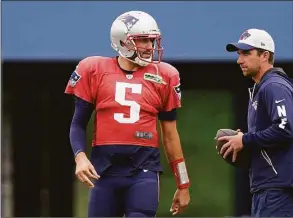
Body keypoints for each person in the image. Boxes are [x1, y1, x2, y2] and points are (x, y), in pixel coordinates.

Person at [64, 10, 190, 217]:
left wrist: (183, 183)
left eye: (151, 40)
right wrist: (79, 157)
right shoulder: (94, 69)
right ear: (122, 41)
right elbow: (78, 123)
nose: (149, 46)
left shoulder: (165, 74)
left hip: (144, 169)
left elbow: (170, 135)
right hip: (104, 171)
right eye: (142, 40)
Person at [218, 28, 293, 217]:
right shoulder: (261, 89)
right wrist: (243, 140)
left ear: (264, 55)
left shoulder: (274, 86)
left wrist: (245, 140)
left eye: (246, 53)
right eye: (238, 54)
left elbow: (286, 128)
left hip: (279, 187)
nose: (239, 60)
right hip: (269, 186)